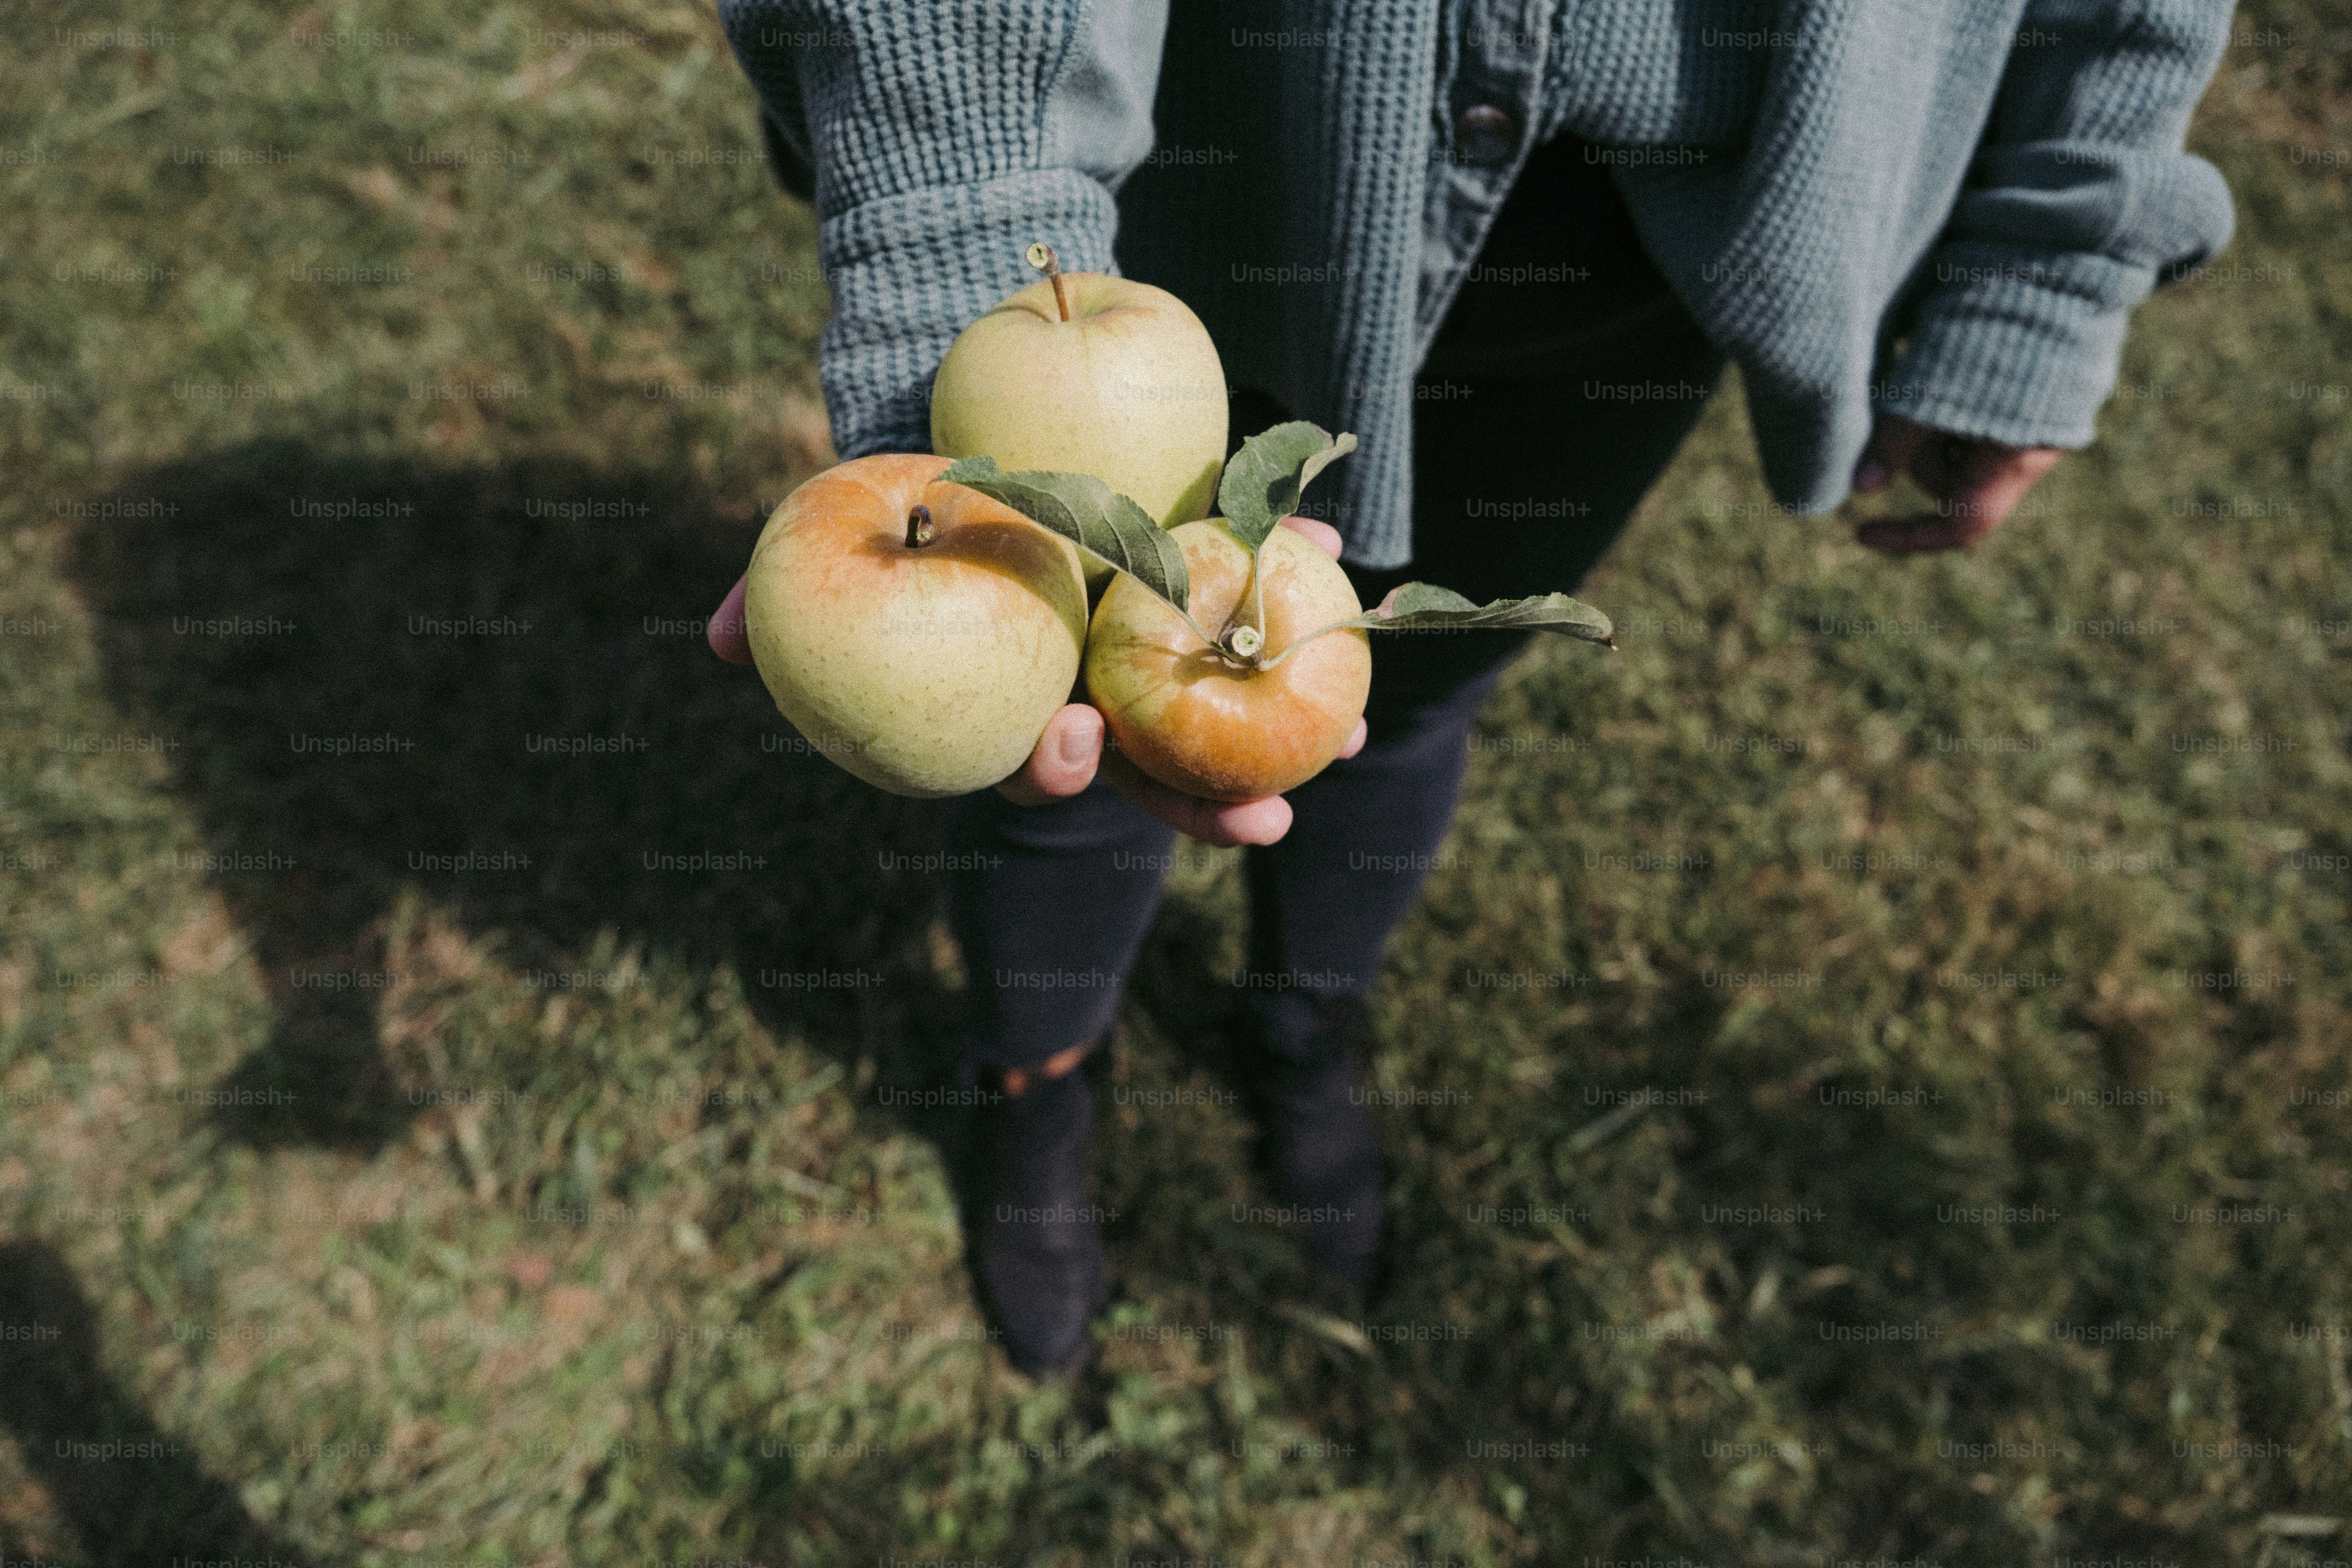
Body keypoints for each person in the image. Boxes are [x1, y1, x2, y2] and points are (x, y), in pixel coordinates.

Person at [704, 0, 2234, 1377]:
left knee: (1407, 694)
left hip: (1650, 239)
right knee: (1087, 725)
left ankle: (1300, 1021)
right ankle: (1037, 1081)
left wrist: (2057, 252)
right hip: (1230, 174)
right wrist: (971, 236)